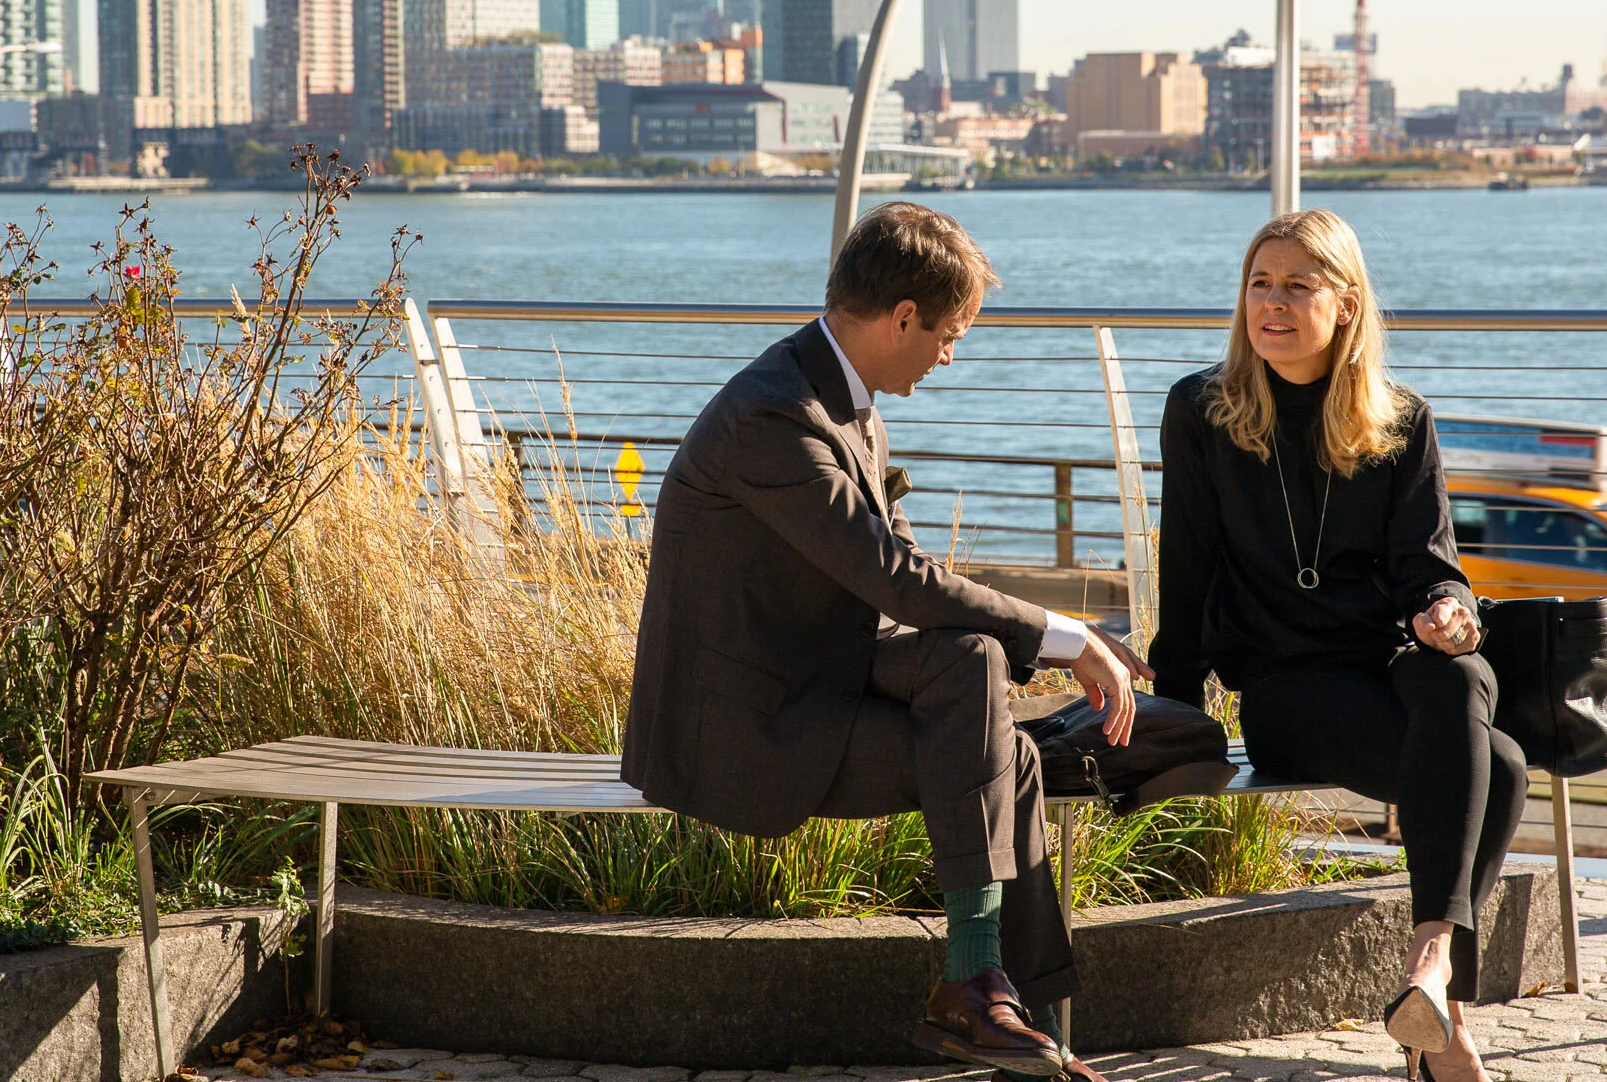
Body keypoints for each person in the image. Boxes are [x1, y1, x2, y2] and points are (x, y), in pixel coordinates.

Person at [622, 202, 1147, 1082]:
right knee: (1002, 748)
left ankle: (1005, 1008)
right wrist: (1067, 636)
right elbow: (898, 581)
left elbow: (907, 587)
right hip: (744, 730)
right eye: (949, 334)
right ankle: (996, 999)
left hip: (815, 682)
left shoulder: (843, 400)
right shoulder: (775, 417)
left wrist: (1021, 645)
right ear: (904, 317)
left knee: (986, 697)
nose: (949, 356)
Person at [1148, 208, 1523, 1082]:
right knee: (1500, 769)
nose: (1272, 304)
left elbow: (1431, 568)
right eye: (1260, 284)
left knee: (1463, 672)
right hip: (1288, 690)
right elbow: (1186, 572)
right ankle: (1440, 1008)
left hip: (1390, 666)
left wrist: (1446, 610)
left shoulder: (1401, 419)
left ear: (1346, 303)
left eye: (1296, 285)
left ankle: (1429, 973)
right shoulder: (1201, 411)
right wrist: (1175, 708)